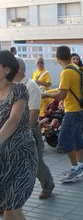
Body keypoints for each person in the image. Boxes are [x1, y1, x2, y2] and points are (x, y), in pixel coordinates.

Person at [0, 50, 38, 220]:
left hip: (21, 157)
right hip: (2, 161)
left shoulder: (18, 90)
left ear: (7, 69)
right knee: (7, 215)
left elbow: (13, 120)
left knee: (12, 214)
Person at [13, 57, 55, 200]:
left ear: (18, 69)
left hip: (29, 130)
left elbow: (34, 112)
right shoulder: (10, 85)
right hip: (11, 129)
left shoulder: (31, 86)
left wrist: (26, 133)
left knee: (35, 162)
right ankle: (8, 198)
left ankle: (48, 185)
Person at [43, 46, 83, 183]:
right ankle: (80, 166)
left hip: (72, 110)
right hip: (79, 109)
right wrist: (48, 93)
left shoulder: (66, 72)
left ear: (57, 59)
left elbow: (62, 94)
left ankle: (75, 169)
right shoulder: (75, 67)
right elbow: (64, 88)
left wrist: (45, 94)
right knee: (78, 138)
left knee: (63, 141)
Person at [71, 53, 83, 134]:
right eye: (73, 59)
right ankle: (82, 130)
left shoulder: (82, 68)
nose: (75, 61)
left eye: (77, 59)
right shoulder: (68, 69)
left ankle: (81, 130)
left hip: (80, 95)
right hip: (71, 96)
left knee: (79, 114)